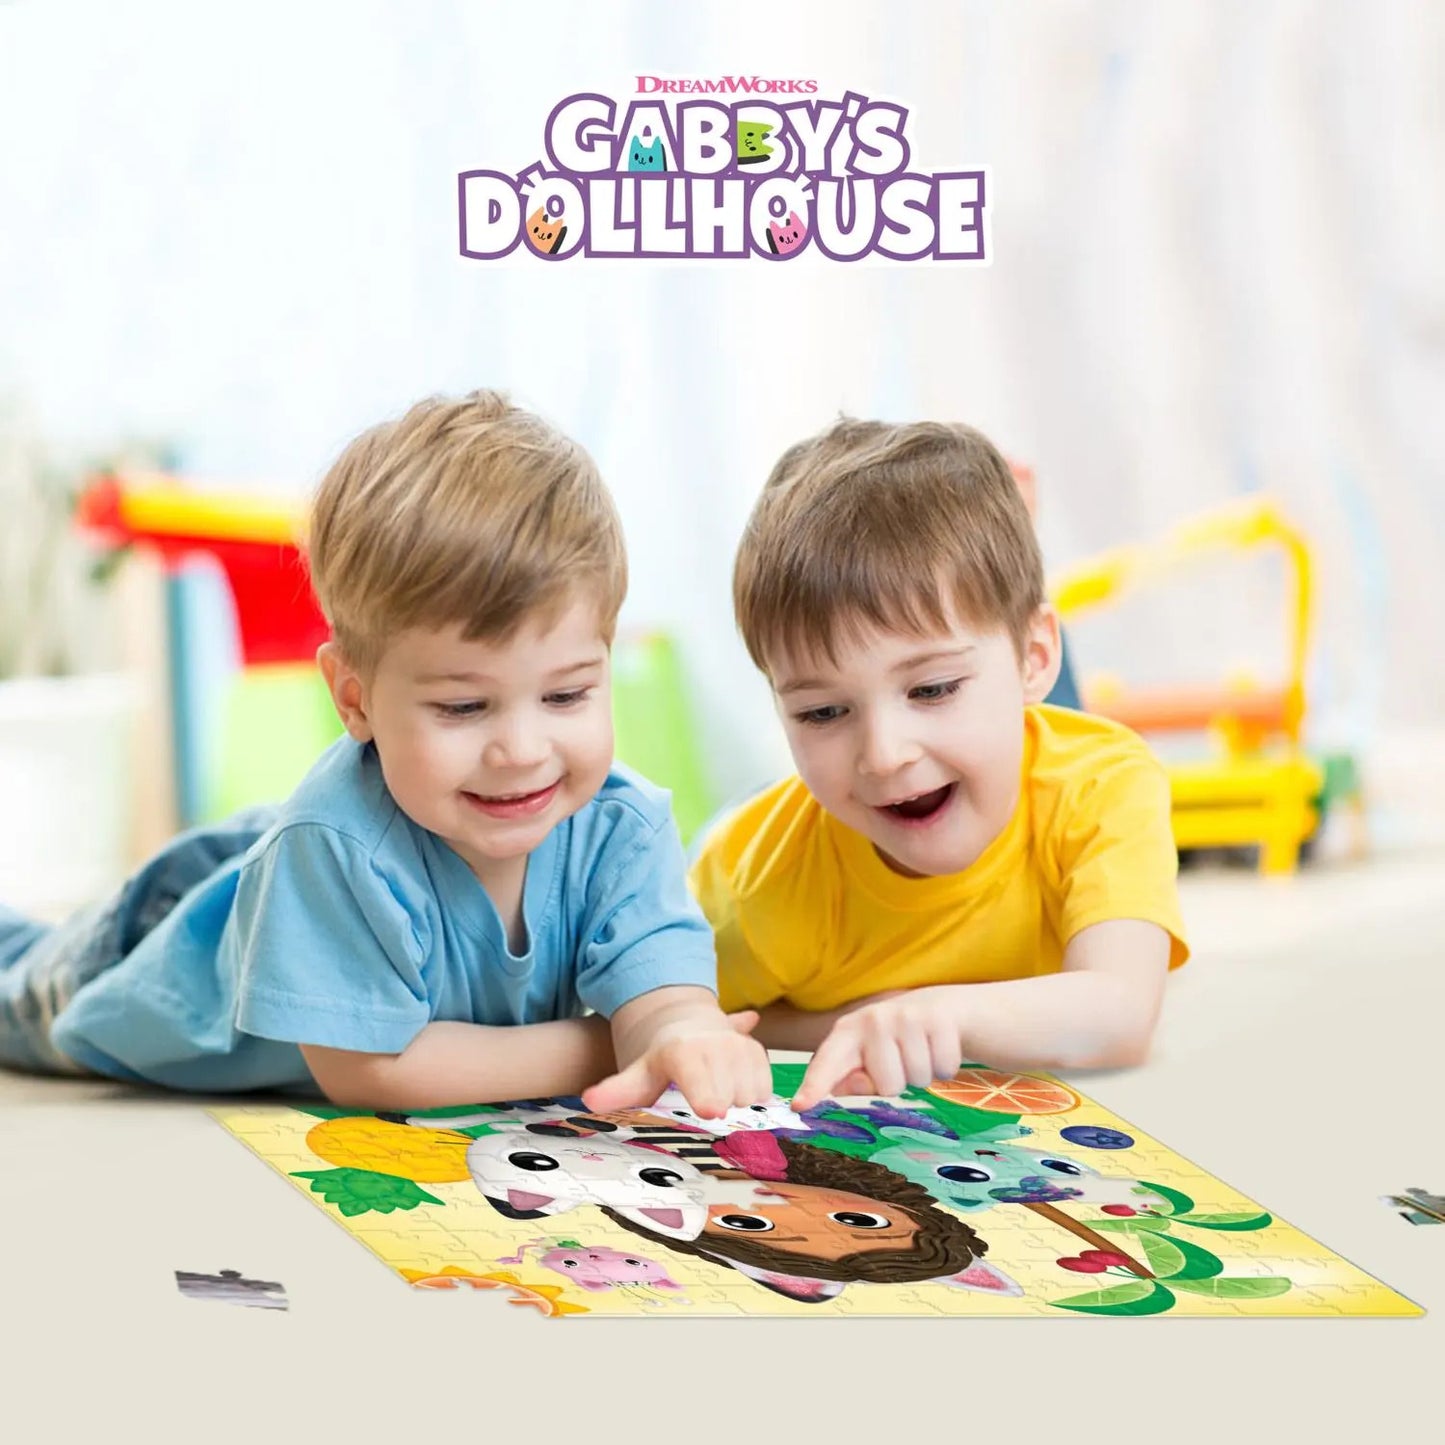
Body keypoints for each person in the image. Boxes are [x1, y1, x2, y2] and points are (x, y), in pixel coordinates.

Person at [0, 390, 770, 1116]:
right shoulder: (339, 846)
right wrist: (609, 1045)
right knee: (19, 983)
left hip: (270, 872)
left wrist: (674, 1029)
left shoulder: (621, 828)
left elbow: (664, 989)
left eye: (566, 696)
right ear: (354, 698)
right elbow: (372, 1068)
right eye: (464, 707)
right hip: (147, 970)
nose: (521, 749)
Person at [688, 417, 1189, 1111]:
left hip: (1029, 727)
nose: (884, 754)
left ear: (1033, 655)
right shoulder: (754, 888)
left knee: (1033, 707)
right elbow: (691, 1023)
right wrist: (871, 1019)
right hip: (750, 823)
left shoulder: (1106, 782)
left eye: (929, 689)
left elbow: (1122, 1015)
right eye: (821, 712)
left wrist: (936, 1016)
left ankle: (1013, 577)